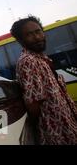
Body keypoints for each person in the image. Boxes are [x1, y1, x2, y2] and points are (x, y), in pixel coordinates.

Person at [11, 16, 77, 145]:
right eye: (29, 34)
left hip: (69, 129)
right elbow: (33, 105)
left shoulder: (42, 59)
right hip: (56, 135)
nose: (37, 37)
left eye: (38, 31)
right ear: (20, 40)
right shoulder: (28, 62)